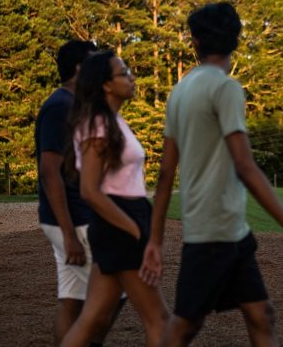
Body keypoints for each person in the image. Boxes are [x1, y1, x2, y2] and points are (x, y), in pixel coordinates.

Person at [140, 2, 283, 346]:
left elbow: (165, 174)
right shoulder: (226, 89)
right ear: (236, 38)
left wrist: (155, 240)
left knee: (260, 314)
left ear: (194, 42)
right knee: (183, 327)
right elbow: (245, 166)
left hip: (230, 232)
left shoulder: (179, 92)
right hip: (214, 233)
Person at [60, 51, 169, 347]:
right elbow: (90, 191)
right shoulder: (97, 125)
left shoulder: (112, 120)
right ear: (106, 84)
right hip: (119, 223)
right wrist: (135, 231)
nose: (132, 78)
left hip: (122, 220)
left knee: (92, 318)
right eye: (125, 72)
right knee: (159, 320)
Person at [35, 40, 124, 346]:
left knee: (71, 297)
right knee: (118, 289)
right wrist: (69, 233)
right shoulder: (60, 107)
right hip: (73, 218)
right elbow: (49, 171)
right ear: (78, 69)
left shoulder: (75, 104)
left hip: (71, 216)